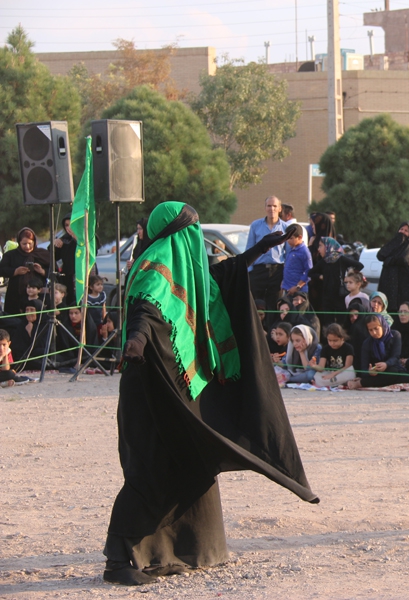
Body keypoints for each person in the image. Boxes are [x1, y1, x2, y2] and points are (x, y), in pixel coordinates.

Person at [104, 201, 317, 586]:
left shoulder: (185, 270)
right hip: (149, 390)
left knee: (189, 464)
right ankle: (118, 559)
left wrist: (258, 249)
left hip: (176, 390)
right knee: (149, 469)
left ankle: (180, 550)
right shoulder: (154, 268)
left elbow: (219, 275)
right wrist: (135, 342)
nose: (196, 239)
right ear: (175, 234)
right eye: (192, 231)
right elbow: (145, 311)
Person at [245, 196, 288, 326]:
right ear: (265, 208)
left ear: (280, 208)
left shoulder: (286, 227)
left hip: (277, 271)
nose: (272, 209)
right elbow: (250, 248)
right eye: (269, 206)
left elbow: (289, 254)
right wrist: (249, 272)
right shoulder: (255, 225)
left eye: (275, 206)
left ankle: (272, 335)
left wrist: (285, 277)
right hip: (258, 271)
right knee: (256, 304)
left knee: (274, 304)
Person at [308, 237, 364, 326]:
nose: (318, 249)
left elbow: (359, 265)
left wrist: (349, 275)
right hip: (327, 297)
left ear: (328, 247)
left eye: (320, 246)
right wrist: (320, 276)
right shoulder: (324, 261)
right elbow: (310, 273)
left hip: (340, 296)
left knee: (341, 322)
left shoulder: (341, 259)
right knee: (328, 322)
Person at [0, 228, 51, 319]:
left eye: (30, 243)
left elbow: (54, 271)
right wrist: (15, 271)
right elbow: (2, 269)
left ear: (34, 242)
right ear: (19, 242)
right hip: (15, 295)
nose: (27, 247)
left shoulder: (43, 254)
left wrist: (42, 271)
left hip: (37, 294)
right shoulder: (11, 255)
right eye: (24, 244)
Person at [376, 222, 409, 319]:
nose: (402, 232)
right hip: (390, 286)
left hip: (406, 289)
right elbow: (381, 255)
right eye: (401, 229)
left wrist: (389, 260)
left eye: (406, 231)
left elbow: (405, 259)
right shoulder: (393, 245)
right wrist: (396, 242)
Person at [353, 314, 409, 388]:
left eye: (376, 328)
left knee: (403, 376)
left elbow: (395, 357)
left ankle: (363, 383)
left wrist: (386, 364)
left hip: (392, 368)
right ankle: (366, 382)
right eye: (370, 330)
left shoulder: (395, 335)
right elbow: (364, 368)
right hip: (376, 373)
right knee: (394, 375)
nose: (374, 333)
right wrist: (370, 372)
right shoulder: (367, 343)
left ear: (382, 325)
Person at [312, 323, 356, 388]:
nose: (332, 343)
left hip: (342, 372)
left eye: (335, 341)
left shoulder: (348, 348)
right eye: (329, 340)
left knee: (350, 372)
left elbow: (347, 366)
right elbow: (321, 368)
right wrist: (314, 366)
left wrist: (333, 374)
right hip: (330, 373)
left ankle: (332, 383)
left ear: (342, 338)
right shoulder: (325, 349)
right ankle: (337, 383)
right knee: (317, 376)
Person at [281, 224, 313, 298]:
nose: (288, 241)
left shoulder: (304, 251)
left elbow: (309, 271)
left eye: (291, 238)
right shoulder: (292, 250)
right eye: (287, 238)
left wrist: (298, 286)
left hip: (299, 292)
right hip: (288, 288)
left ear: (300, 237)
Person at [53, 215, 78, 305]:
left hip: (83, 276)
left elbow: (92, 251)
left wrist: (76, 237)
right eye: (66, 225)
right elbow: (54, 256)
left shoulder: (88, 237)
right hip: (68, 277)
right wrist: (56, 244)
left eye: (71, 224)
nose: (69, 228)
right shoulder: (65, 238)